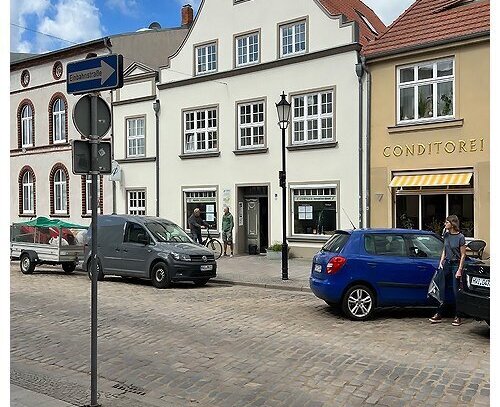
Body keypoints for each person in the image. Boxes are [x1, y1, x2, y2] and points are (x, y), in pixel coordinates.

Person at [429, 215, 467, 326]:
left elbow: (463, 254)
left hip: (456, 265)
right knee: (441, 287)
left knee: (456, 291)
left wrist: (460, 269)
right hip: (447, 264)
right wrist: (441, 262)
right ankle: (439, 313)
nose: (445, 224)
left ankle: (458, 316)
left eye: (446, 222)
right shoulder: (446, 235)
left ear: (452, 223)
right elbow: (444, 250)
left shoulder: (460, 237)